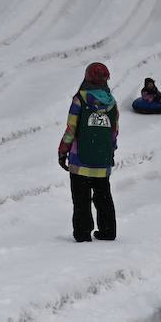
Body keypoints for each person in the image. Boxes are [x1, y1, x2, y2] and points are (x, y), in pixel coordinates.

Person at [58, 62, 119, 242]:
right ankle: (108, 231)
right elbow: (114, 133)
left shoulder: (80, 100)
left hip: (79, 161)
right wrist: (110, 153)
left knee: (81, 199)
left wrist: (63, 152)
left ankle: (83, 234)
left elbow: (71, 130)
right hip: (102, 160)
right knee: (103, 196)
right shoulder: (112, 103)